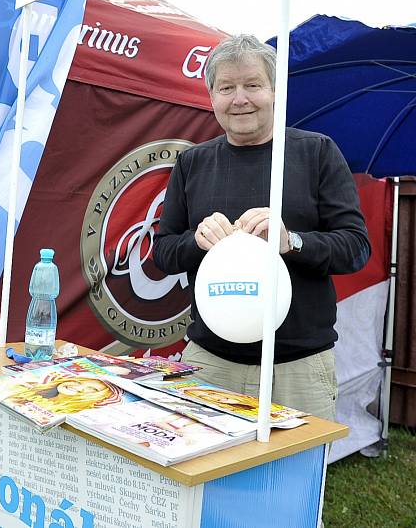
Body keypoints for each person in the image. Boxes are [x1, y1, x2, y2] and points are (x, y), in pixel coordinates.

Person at [153, 34, 371, 422]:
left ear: (274, 91)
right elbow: (164, 253)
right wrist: (198, 242)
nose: (240, 98)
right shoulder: (193, 163)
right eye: (227, 88)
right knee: (205, 477)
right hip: (210, 362)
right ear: (212, 97)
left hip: (297, 367)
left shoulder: (316, 152)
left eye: (252, 85)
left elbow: (355, 247)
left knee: (291, 477)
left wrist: (293, 241)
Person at [7, 375, 123, 414]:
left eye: (91, 389)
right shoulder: (28, 390)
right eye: (78, 381)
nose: (78, 386)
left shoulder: (76, 414)